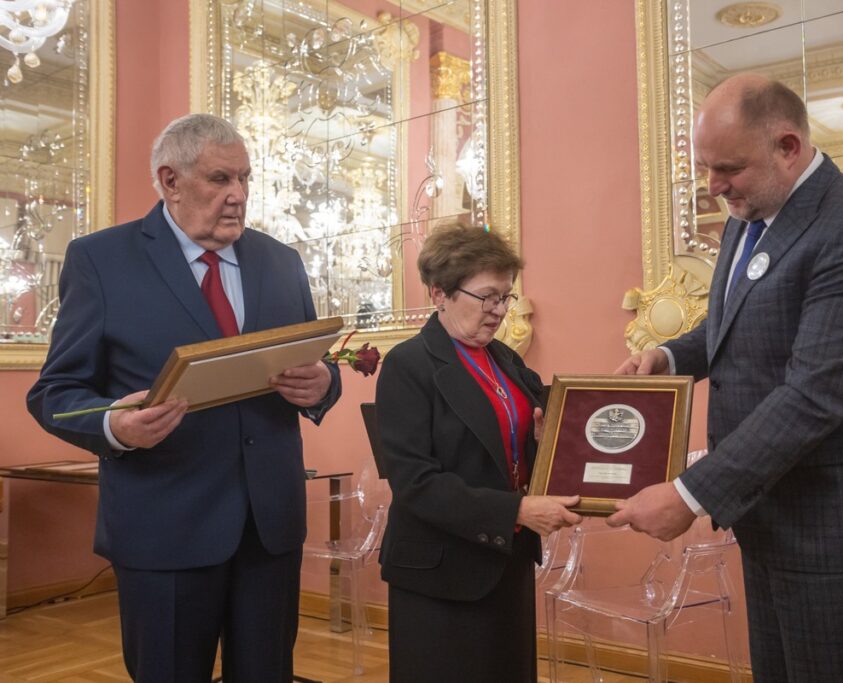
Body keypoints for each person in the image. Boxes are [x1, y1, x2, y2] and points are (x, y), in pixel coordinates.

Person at [611, 74, 843, 682]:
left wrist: (688, 494)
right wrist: (671, 356)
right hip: (770, 514)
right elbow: (732, 325)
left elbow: (814, 397)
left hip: (836, 527)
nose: (713, 187)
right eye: (705, 168)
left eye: (728, 168)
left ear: (788, 146)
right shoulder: (749, 213)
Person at [27, 114, 341, 682]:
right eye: (220, 179)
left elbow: (312, 363)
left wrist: (324, 387)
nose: (238, 195)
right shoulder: (101, 260)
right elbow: (55, 394)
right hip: (164, 526)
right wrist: (114, 426)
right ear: (170, 181)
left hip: (269, 528)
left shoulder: (281, 261)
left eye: (245, 178)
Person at [376, 223, 581, 682]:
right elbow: (416, 484)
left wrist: (552, 440)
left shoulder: (506, 359)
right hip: (439, 575)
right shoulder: (407, 366)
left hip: (505, 562)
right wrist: (518, 509)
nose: (499, 311)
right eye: (487, 296)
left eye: (505, 297)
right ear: (439, 294)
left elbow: (534, 437)